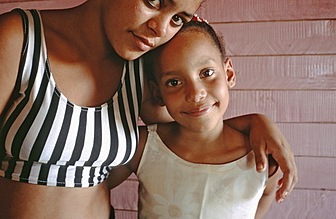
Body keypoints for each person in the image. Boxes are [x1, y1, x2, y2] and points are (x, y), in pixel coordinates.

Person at [0, 0, 296, 218]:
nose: (160, 29)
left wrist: (256, 123)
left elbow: (195, 120)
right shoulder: (16, 40)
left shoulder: (139, 69)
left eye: (178, 18)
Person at [108, 20, 281, 218]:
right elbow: (89, 187)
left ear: (229, 74)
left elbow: (266, 194)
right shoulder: (143, 146)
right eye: (174, 82)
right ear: (158, 94)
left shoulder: (261, 157)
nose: (195, 94)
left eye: (206, 73)